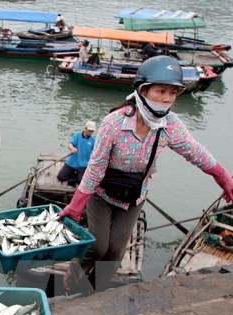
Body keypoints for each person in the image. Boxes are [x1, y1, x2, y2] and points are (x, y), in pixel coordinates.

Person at [60, 56, 233, 294]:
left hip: (133, 197)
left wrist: (225, 179)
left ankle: (94, 294)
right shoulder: (114, 122)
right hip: (101, 193)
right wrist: (76, 206)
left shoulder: (170, 125)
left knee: (115, 252)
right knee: (98, 247)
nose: (167, 99)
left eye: (173, 93)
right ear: (143, 90)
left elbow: (197, 153)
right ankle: (75, 272)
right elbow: (95, 168)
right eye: (161, 91)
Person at [57, 121, 97, 186]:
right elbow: (70, 144)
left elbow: (96, 151)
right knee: (61, 177)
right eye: (89, 130)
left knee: (80, 181)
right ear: (85, 128)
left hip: (83, 164)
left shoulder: (93, 140)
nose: (90, 133)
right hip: (72, 162)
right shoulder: (77, 135)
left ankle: (75, 175)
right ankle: (73, 173)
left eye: (92, 131)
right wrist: (72, 148)